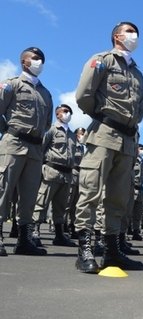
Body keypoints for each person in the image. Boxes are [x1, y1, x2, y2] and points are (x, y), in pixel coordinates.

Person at [74, 21, 143, 273]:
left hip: (127, 141)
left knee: (118, 198)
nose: (134, 36)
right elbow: (83, 94)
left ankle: (113, 251)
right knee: (91, 191)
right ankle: (85, 250)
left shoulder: (137, 73)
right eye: (129, 31)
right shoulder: (102, 60)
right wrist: (103, 117)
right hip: (104, 134)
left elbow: (141, 109)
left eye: (135, 33)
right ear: (117, 36)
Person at [0, 47, 52, 256]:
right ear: (24, 62)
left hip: (35, 148)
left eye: (42, 59)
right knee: (3, 190)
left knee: (29, 196)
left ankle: (24, 239)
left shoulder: (46, 93)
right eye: (35, 58)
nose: (39, 62)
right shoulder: (11, 85)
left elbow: (47, 122)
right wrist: (8, 131)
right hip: (14, 143)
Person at [32, 104, 77, 248]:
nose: (67, 113)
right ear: (57, 114)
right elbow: (41, 148)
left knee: (61, 206)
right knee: (42, 202)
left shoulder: (71, 134)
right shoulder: (51, 130)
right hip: (52, 171)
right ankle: (34, 232)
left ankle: (59, 234)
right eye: (64, 111)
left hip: (67, 174)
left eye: (69, 111)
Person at [65, 127, 86, 238]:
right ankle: (61, 225)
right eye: (80, 134)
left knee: (76, 205)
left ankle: (73, 226)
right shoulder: (72, 145)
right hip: (73, 174)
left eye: (83, 134)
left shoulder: (84, 148)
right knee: (68, 202)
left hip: (81, 177)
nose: (82, 136)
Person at [131, 143, 143, 240]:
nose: (142, 151)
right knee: (127, 212)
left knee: (138, 213)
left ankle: (136, 232)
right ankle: (122, 234)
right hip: (132, 187)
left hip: (140, 189)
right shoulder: (132, 159)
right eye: (140, 148)